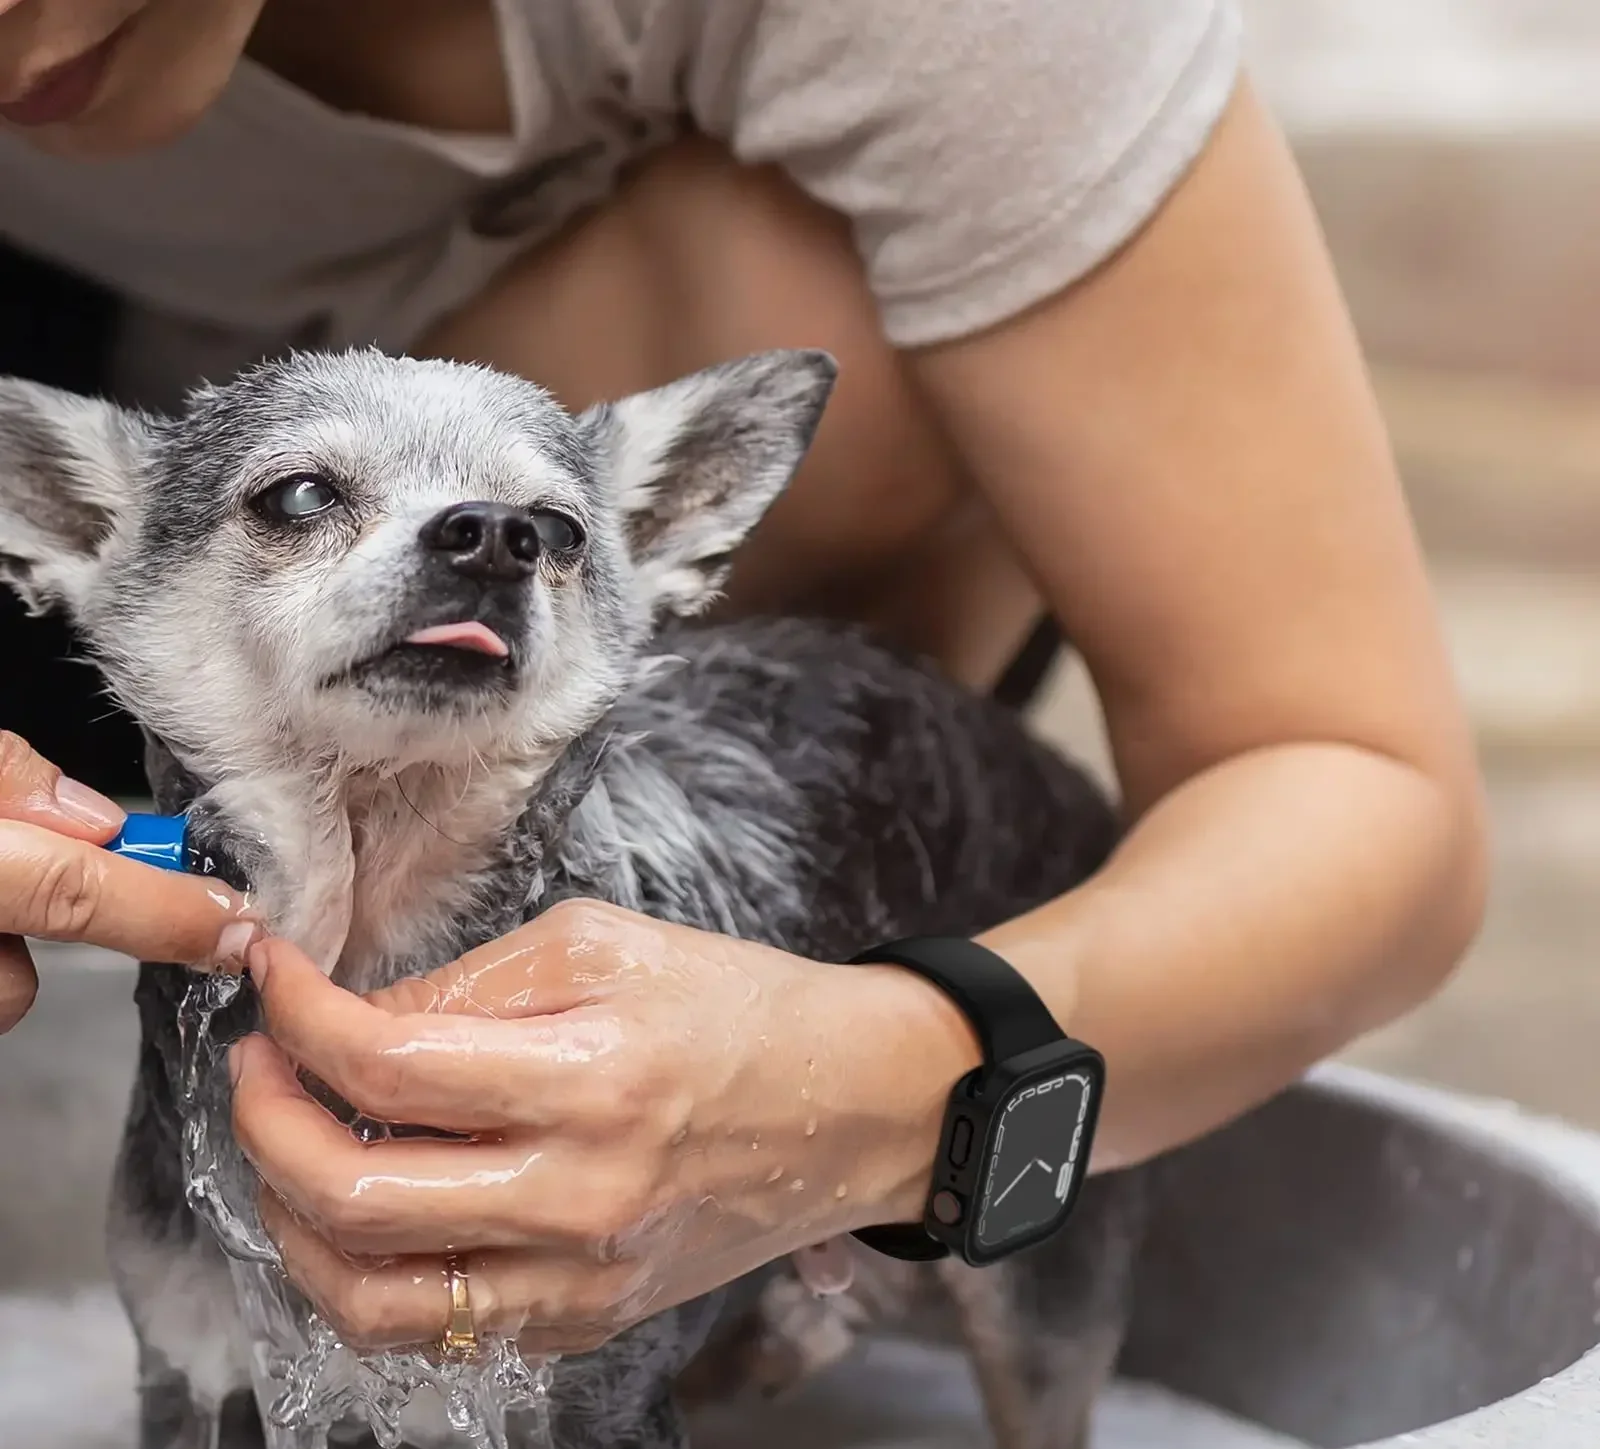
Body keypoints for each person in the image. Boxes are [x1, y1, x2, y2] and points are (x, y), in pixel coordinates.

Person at [0, 0, 1488, 1355]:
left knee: (823, 286)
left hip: (641, 683)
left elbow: (1354, 786)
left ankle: (723, 1185)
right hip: (118, 619)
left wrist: (887, 1084)